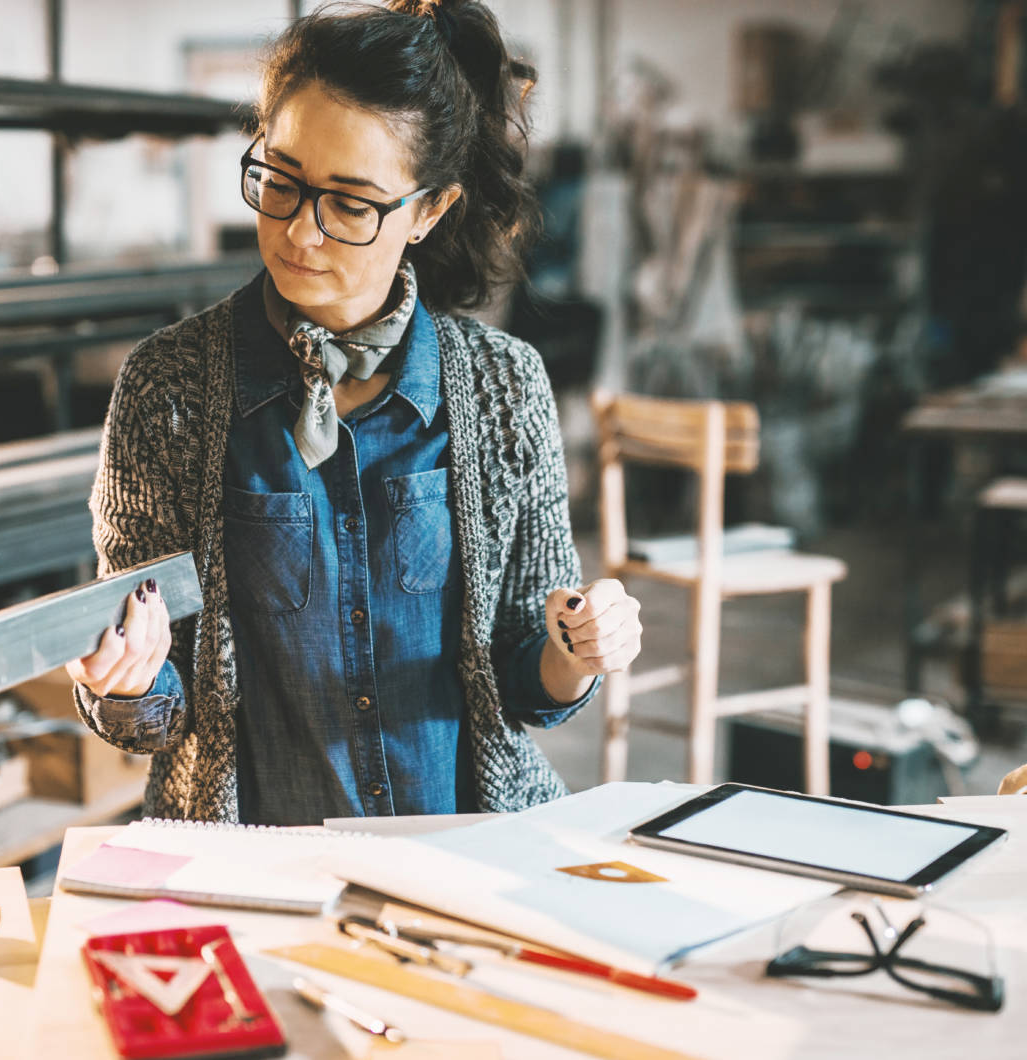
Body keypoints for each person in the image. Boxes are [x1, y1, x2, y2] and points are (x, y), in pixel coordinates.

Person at [66, 0, 641, 825]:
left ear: (429, 210)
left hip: (468, 852)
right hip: (260, 870)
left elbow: (525, 688)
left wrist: (576, 651)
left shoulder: (506, 386)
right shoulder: (171, 389)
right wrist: (124, 682)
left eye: (350, 203)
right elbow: (160, 713)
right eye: (282, 179)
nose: (301, 231)